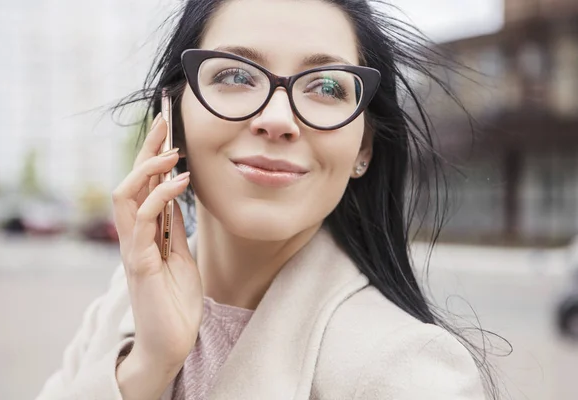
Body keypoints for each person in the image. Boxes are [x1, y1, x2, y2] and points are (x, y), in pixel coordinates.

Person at [35, 0, 496, 399]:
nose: (278, 119)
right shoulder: (122, 303)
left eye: (327, 87)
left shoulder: (407, 373)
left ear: (363, 146)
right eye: (235, 75)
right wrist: (147, 367)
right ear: (172, 116)